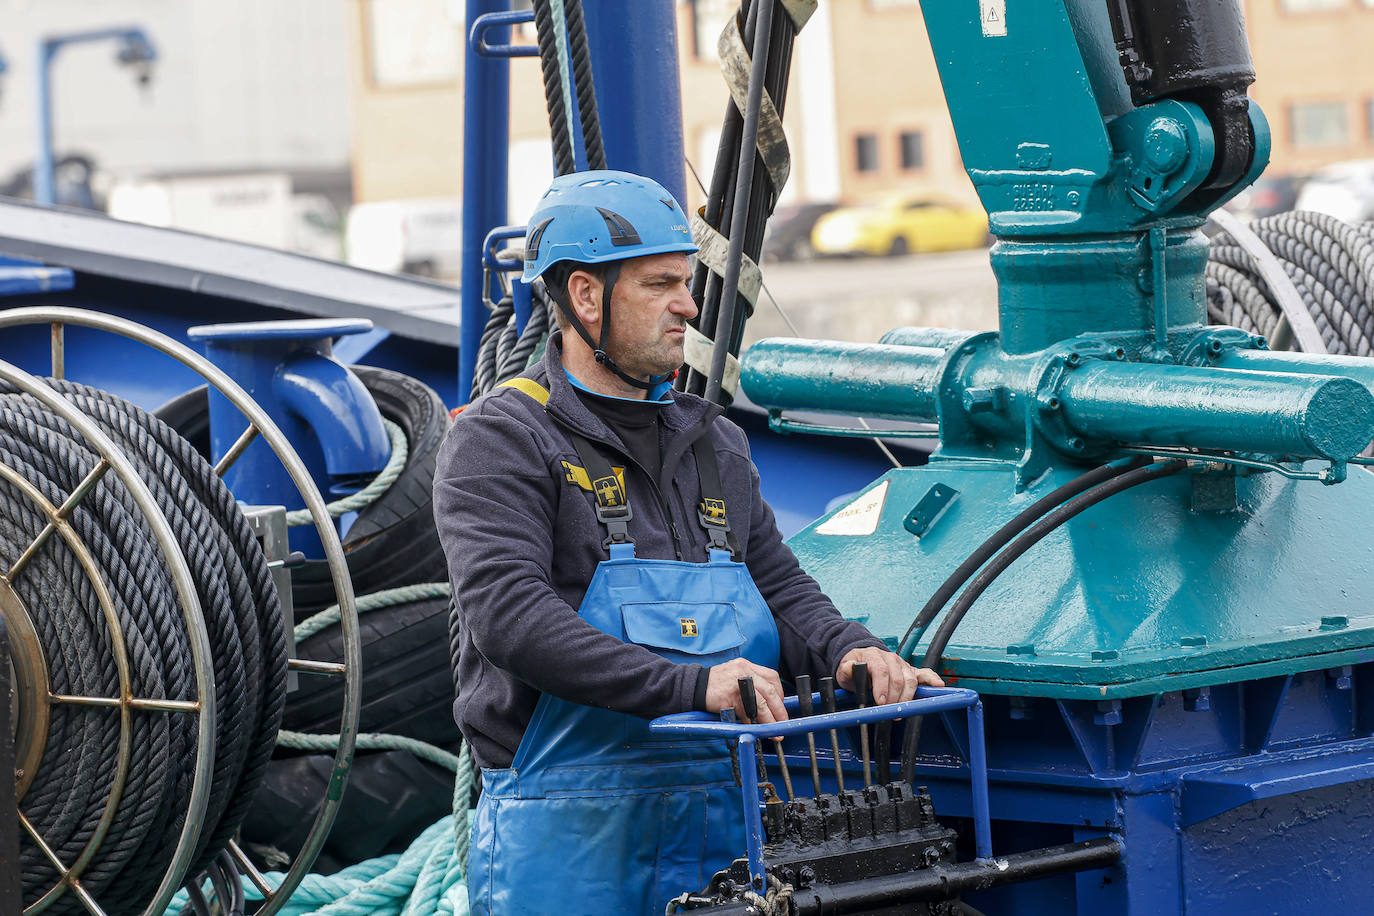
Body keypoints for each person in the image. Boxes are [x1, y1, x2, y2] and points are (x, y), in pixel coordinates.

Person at [433, 169, 943, 916]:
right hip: (567, 844)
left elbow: (780, 587)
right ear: (583, 296)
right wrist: (689, 687)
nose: (689, 305)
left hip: (724, 836)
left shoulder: (715, 443)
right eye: (661, 285)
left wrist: (850, 649)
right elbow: (512, 620)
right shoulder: (501, 439)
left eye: (688, 282)